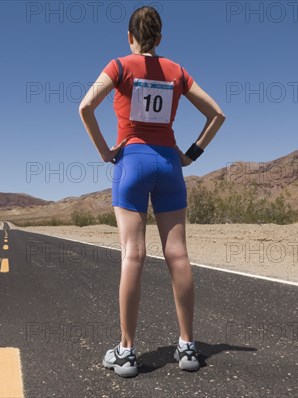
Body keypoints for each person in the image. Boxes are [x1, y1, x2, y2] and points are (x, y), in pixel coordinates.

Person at [79, 6, 225, 378]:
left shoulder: (119, 66)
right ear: (159, 39)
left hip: (131, 161)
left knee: (133, 255)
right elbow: (217, 115)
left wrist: (104, 151)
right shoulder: (176, 71)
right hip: (169, 165)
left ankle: (126, 352)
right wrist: (191, 154)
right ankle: (188, 346)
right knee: (178, 255)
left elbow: (85, 106)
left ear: (129, 37)